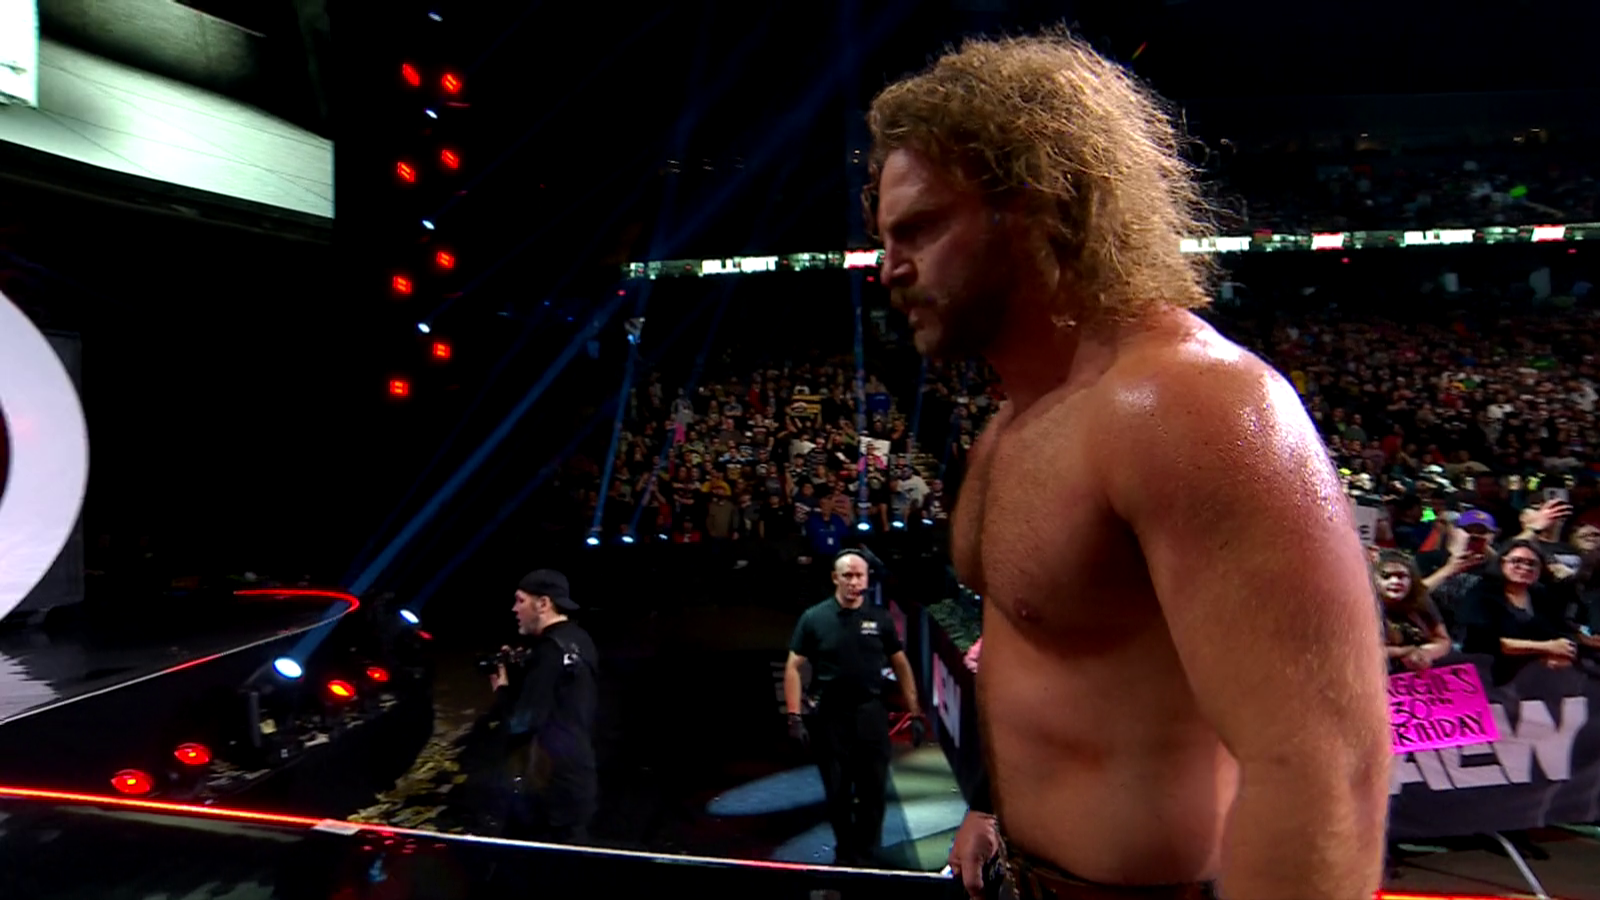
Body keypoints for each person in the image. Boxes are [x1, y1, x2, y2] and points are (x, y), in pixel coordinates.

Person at [866, 31, 1390, 900]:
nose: (890, 268)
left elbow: (1323, 773)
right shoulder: (1015, 420)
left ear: (1036, 204)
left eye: (919, 227)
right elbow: (1038, 657)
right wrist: (991, 804)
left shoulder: (1190, 405)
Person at [783, 550, 925, 866]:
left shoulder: (881, 619)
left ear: (867, 579)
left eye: (859, 575)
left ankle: (868, 852)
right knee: (837, 794)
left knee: (873, 792)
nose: (853, 581)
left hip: (870, 715)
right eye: (847, 575)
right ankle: (846, 853)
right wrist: (794, 716)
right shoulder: (814, 618)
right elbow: (793, 666)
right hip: (830, 718)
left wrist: (915, 713)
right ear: (835, 578)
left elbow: (901, 664)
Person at [489, 569, 600, 843]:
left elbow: (522, 723)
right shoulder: (580, 640)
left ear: (543, 603)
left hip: (549, 793)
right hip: (578, 778)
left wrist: (502, 690)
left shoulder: (548, 653)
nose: (514, 609)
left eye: (520, 600)